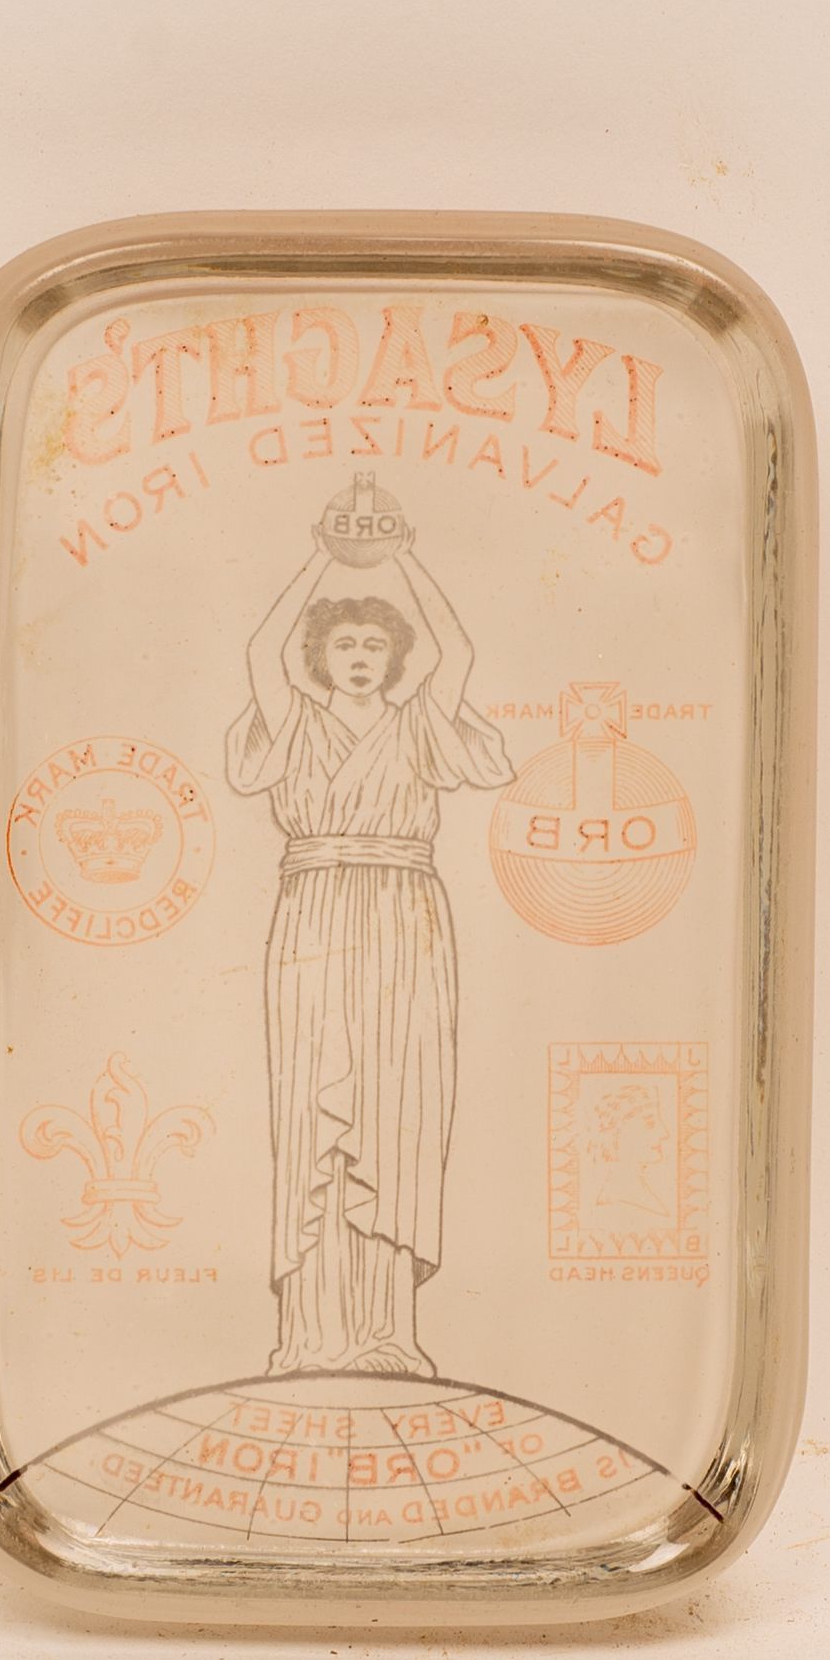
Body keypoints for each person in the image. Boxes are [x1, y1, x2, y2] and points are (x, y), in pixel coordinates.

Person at [224, 519, 511, 1376]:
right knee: (313, 1109)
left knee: (395, 1113)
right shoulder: (294, 721)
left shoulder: (421, 721)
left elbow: (458, 651)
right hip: (314, 911)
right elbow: (260, 650)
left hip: (402, 916)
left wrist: (402, 556)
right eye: (343, 643)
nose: (357, 657)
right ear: (320, 655)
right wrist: (325, 555)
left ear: (395, 658)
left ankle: (388, 1332)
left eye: (374, 644)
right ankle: (310, 1336)